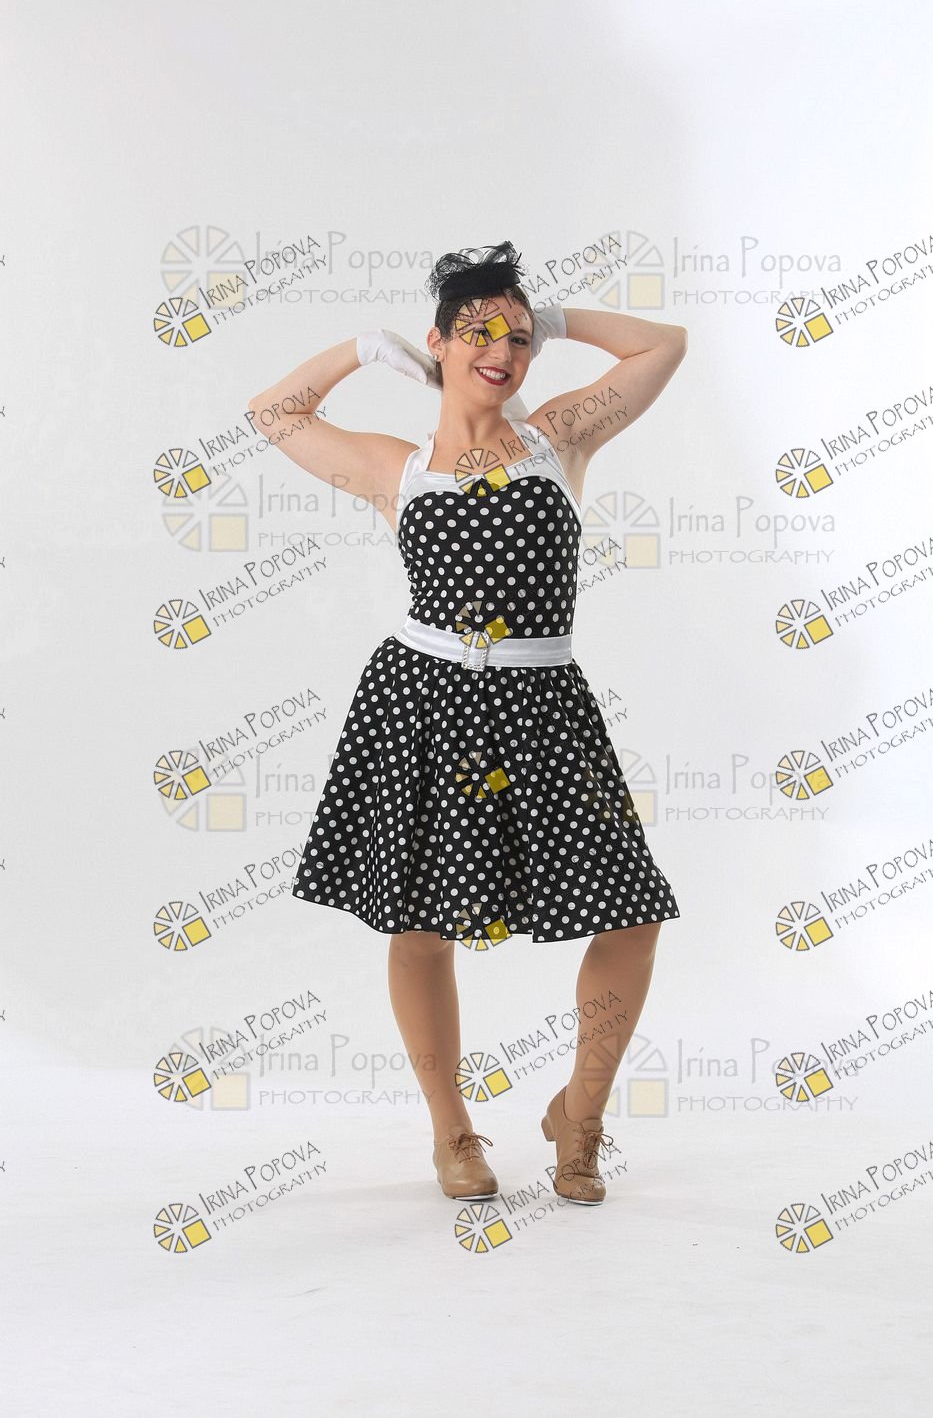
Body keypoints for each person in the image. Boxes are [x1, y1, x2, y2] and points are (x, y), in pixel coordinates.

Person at [247, 240, 688, 1207]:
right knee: (419, 924)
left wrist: (557, 320)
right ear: (439, 343)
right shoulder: (395, 468)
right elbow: (272, 414)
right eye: (479, 332)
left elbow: (664, 344)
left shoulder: (560, 437)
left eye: (518, 338)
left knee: (633, 914)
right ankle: (451, 1130)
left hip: (545, 707)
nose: (502, 351)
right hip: (423, 704)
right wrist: (364, 349)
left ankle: (580, 1116)